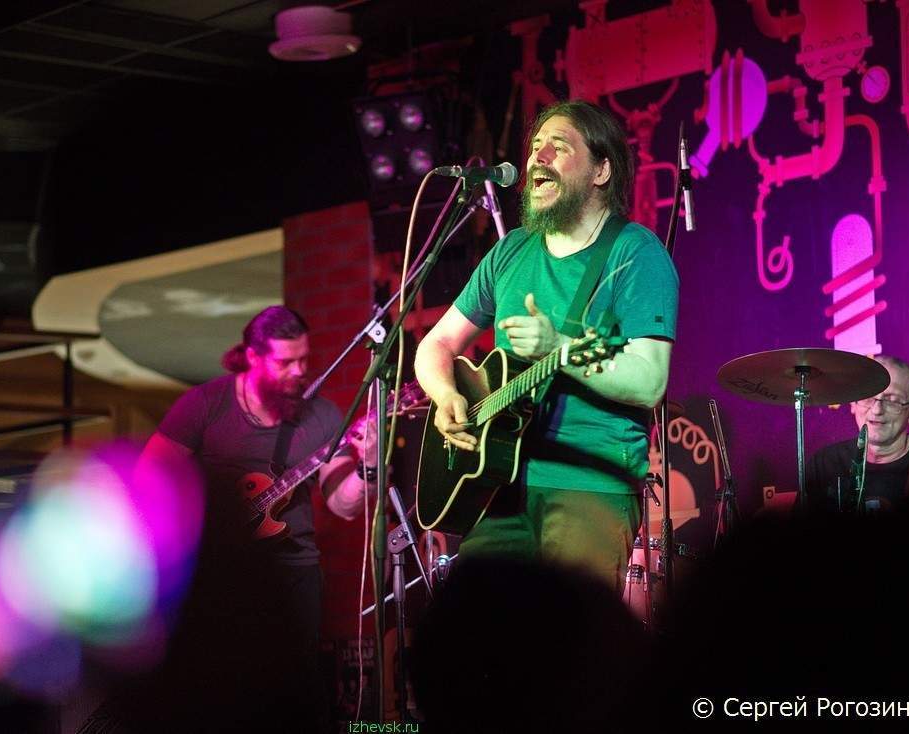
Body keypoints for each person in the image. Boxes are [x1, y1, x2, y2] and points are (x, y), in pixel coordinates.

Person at [413, 99, 678, 591]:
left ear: (601, 171)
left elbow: (650, 382)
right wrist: (446, 395)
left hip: (589, 486)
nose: (540, 156)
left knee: (573, 635)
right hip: (499, 488)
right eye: (536, 146)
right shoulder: (511, 250)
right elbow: (437, 343)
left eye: (560, 146)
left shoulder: (635, 254)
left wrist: (561, 348)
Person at [138, 305, 374, 731]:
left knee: (297, 693)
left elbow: (343, 504)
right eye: (286, 362)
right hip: (216, 571)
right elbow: (149, 479)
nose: (299, 372)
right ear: (252, 357)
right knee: (217, 691)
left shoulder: (322, 416)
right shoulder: (205, 404)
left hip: (293, 571)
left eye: (304, 360)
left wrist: (368, 466)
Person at [808, 354, 909, 513]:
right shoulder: (824, 464)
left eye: (892, 400)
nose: (877, 410)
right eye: (868, 397)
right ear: (853, 403)